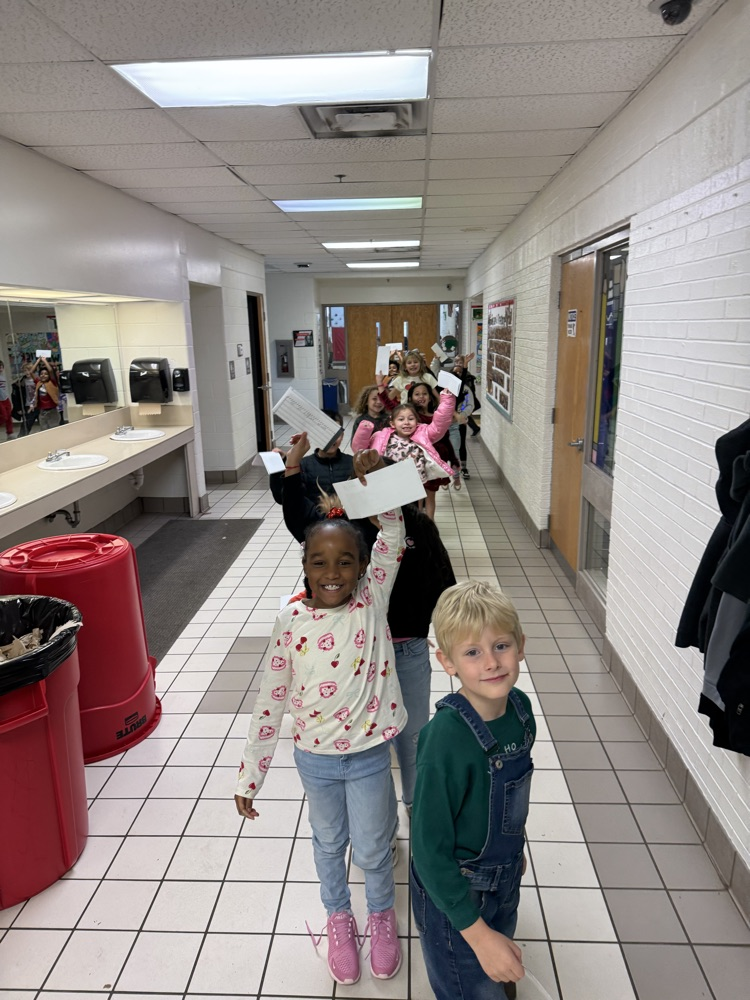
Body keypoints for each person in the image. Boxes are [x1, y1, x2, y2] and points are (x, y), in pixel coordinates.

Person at [235, 449, 406, 987]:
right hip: (315, 759)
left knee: (375, 846)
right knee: (329, 842)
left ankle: (381, 916)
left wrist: (376, 487)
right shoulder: (290, 619)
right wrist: (251, 774)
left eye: (345, 562)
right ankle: (339, 917)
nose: (333, 573)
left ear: (362, 567)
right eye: (319, 562)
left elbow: (394, 536)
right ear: (304, 565)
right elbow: (271, 699)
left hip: (370, 755)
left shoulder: (371, 603)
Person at [280, 430, 456, 813]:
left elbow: (444, 581)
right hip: (353, 651)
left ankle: (416, 806)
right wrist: (293, 463)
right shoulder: (347, 529)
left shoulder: (416, 528)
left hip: (406, 648)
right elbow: (299, 518)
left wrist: (438, 633)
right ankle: (379, 825)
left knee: (411, 738)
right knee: (367, 743)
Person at [410, 581, 534, 1000]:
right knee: (467, 979)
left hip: (505, 876)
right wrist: (479, 938)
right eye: (472, 652)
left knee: (497, 957)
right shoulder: (444, 739)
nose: (492, 663)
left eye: (501, 645)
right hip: (455, 895)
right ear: (447, 661)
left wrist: (517, 850)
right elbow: (428, 852)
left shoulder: (520, 709)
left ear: (521, 645)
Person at [353, 389, 456, 520]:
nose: (406, 422)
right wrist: (364, 430)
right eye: (401, 419)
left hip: (414, 484)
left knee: (413, 515)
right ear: (392, 423)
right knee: (389, 515)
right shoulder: (381, 436)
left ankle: (413, 535)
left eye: (411, 419)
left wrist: (447, 399)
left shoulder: (423, 433)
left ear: (417, 422)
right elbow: (360, 450)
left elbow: (439, 425)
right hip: (387, 483)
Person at [269, 409, 353, 508]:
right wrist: (278, 467)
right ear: (315, 434)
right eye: (325, 433)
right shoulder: (303, 465)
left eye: (336, 433)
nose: (331, 438)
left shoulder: (352, 463)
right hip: (314, 522)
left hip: (345, 522)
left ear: (342, 436)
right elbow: (281, 498)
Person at [30, 359, 60, 431]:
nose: (43, 375)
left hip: (52, 411)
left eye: (46, 374)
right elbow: (31, 372)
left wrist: (44, 360)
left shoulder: (52, 382)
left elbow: (50, 371)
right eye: (41, 374)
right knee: (44, 430)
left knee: (53, 430)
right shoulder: (38, 383)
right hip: (42, 411)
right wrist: (38, 361)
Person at [0, 361, 14, 440]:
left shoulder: (3, 376)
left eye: (1, 366)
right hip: (0, 400)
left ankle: (10, 432)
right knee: (4, 416)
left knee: (9, 416)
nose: (0, 368)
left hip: (5, 398)